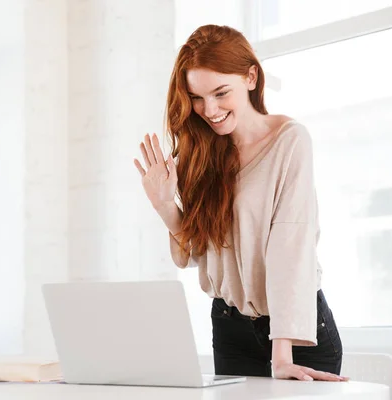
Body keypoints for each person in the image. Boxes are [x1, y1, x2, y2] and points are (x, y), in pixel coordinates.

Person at [133, 24, 348, 382]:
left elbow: (290, 249)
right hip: (230, 327)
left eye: (220, 93)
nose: (209, 109)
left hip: (295, 334)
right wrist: (164, 205)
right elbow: (198, 251)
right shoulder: (200, 155)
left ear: (251, 77)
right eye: (197, 98)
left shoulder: (289, 141)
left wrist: (282, 355)